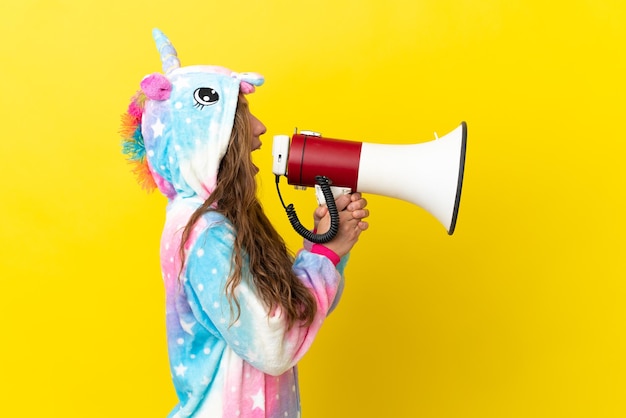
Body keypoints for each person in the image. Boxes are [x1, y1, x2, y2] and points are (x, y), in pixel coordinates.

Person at [121, 29, 369, 418]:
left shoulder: (216, 221)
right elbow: (274, 343)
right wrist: (324, 255)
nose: (260, 129)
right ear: (205, 140)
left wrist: (325, 252)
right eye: (239, 118)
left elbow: (292, 313)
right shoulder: (204, 236)